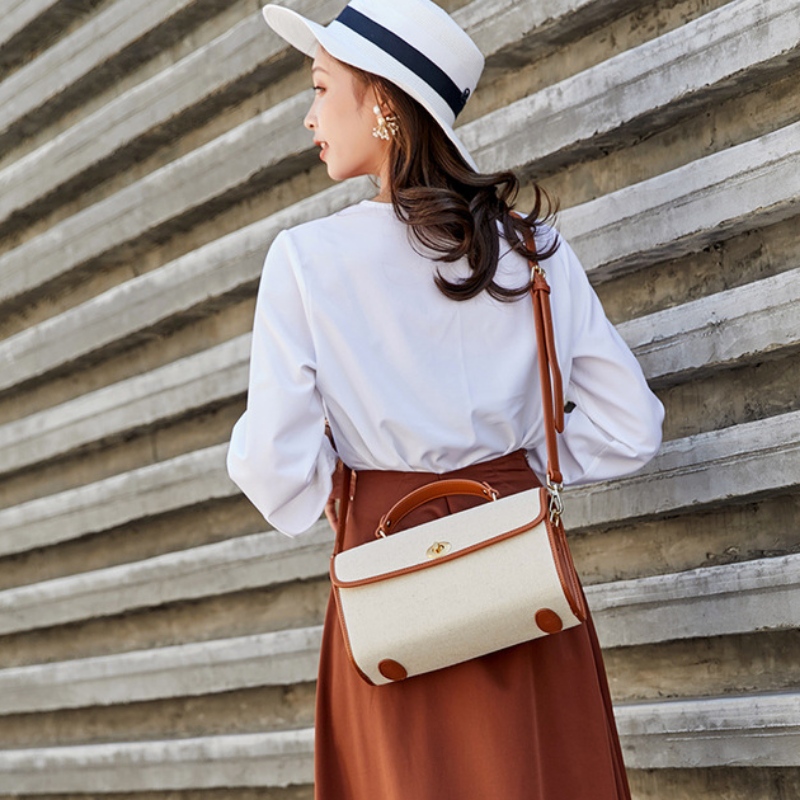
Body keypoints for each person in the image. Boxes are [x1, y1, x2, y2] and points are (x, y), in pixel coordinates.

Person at [227, 1, 664, 798]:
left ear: (383, 103)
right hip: (521, 584)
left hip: (390, 583)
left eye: (323, 89)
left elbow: (274, 471)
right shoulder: (533, 250)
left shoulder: (305, 262)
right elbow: (631, 428)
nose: (307, 117)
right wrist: (515, 469)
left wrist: (335, 479)